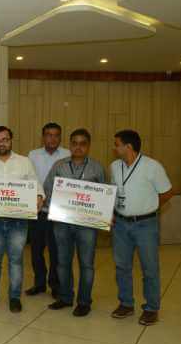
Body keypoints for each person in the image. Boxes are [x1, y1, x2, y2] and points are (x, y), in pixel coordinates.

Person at [0, 126, 43, 313]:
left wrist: (38, 197)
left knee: (16, 260)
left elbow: (36, 186)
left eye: (5, 139)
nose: (1, 143)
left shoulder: (24, 162)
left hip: (18, 221)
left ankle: (14, 297)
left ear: (11, 140)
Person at [110, 130, 173, 326]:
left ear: (128, 147)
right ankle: (126, 304)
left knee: (149, 267)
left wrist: (149, 207)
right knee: (122, 266)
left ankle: (151, 308)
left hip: (146, 225)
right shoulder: (114, 166)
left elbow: (167, 192)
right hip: (120, 224)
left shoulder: (152, 166)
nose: (114, 148)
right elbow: (113, 192)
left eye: (117, 144)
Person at [43, 129, 105, 317]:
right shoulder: (59, 166)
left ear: (88, 146)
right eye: (75, 143)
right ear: (70, 145)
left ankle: (84, 302)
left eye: (83, 143)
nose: (78, 147)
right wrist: (57, 205)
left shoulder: (97, 168)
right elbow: (47, 189)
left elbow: (105, 194)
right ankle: (65, 297)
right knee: (62, 262)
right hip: (62, 223)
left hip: (87, 225)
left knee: (86, 264)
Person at [26, 122, 70, 298]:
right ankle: (39, 284)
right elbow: (29, 179)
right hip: (37, 210)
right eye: (49, 135)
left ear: (60, 137)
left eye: (56, 135)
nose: (52, 138)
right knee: (36, 250)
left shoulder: (67, 154)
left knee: (56, 251)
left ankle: (55, 285)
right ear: (43, 137)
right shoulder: (33, 155)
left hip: (59, 212)